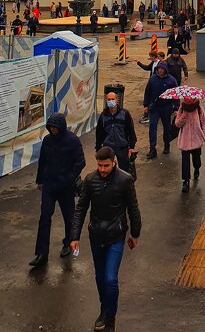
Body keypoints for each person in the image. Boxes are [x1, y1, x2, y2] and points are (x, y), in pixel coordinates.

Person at [70, 146, 141, 332]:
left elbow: (133, 208)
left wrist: (135, 234)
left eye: (106, 166)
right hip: (96, 236)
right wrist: (74, 236)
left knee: (110, 278)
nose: (102, 169)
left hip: (116, 237)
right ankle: (104, 309)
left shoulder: (125, 180)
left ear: (114, 162)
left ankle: (110, 317)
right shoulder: (90, 180)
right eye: (100, 165)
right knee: (100, 277)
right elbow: (81, 209)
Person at [29, 113, 85, 268]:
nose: (53, 129)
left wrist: (68, 178)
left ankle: (68, 243)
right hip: (49, 186)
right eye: (51, 127)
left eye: (55, 127)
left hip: (65, 187)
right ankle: (42, 253)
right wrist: (40, 180)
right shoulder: (47, 141)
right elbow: (43, 161)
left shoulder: (72, 140)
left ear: (61, 127)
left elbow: (80, 162)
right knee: (44, 217)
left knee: (69, 217)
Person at [96, 92, 137, 174]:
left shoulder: (125, 113)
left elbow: (130, 130)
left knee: (124, 170)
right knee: (108, 170)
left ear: (117, 100)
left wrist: (131, 146)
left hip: (122, 147)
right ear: (106, 101)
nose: (111, 101)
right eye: (109, 99)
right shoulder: (103, 116)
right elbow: (99, 133)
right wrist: (98, 148)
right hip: (108, 147)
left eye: (112, 99)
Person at [143, 62, 177, 159]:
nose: (160, 70)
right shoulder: (152, 79)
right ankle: (152, 149)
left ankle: (167, 145)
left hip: (166, 108)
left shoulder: (171, 80)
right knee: (152, 128)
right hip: (154, 108)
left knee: (167, 128)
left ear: (165, 69)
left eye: (162, 69)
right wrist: (146, 105)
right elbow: (147, 92)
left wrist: (176, 108)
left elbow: (175, 95)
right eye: (159, 69)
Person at [175, 96, 205, 192]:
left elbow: (203, 122)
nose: (187, 101)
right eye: (186, 99)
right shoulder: (181, 109)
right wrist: (183, 116)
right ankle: (186, 181)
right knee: (185, 161)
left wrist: (204, 135)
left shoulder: (199, 109)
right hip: (185, 141)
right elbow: (177, 124)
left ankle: (197, 168)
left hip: (196, 140)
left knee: (196, 160)